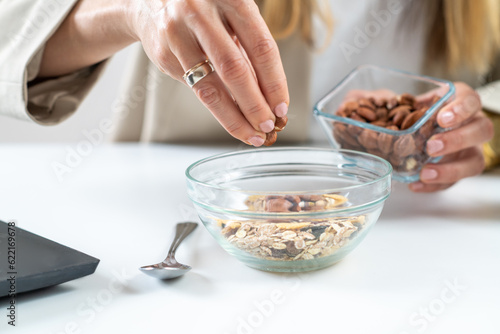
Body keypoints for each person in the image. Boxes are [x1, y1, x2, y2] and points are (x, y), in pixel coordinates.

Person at [0, 0, 497, 193]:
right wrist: (131, 10)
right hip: (186, 214)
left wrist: (485, 125)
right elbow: (11, 34)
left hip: (414, 227)